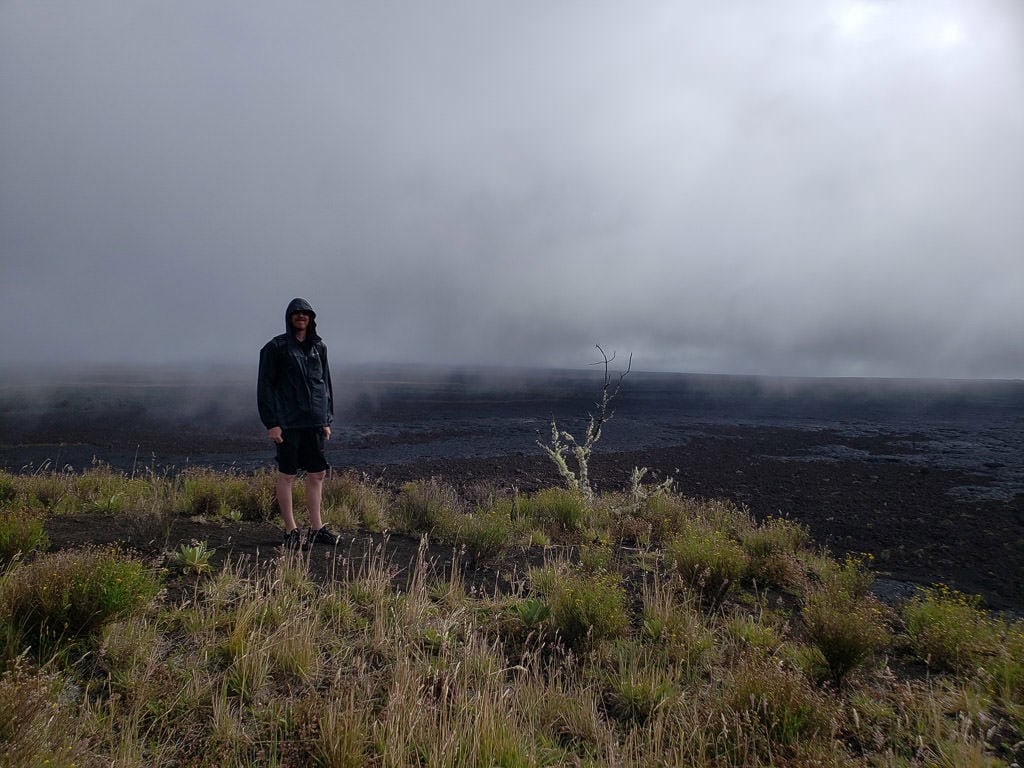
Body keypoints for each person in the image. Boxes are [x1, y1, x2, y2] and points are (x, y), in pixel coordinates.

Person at [257, 298, 341, 549]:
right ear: (289, 317)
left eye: (305, 313)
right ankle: (292, 531)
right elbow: (265, 387)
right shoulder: (276, 347)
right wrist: (272, 423)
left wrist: (326, 419)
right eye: (297, 313)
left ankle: (317, 529)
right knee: (288, 474)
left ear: (311, 317)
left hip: (314, 422)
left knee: (317, 473)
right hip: (288, 423)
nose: (301, 316)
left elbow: (325, 383)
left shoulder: (319, 347)